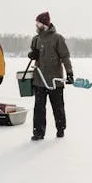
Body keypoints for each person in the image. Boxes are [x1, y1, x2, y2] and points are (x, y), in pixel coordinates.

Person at [27, 11, 74, 141]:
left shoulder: (57, 38)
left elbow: (65, 56)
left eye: (38, 23)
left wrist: (69, 72)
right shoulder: (36, 39)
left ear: (45, 24)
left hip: (55, 80)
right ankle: (38, 132)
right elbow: (33, 52)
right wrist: (32, 54)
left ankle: (60, 129)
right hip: (39, 79)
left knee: (58, 107)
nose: (36, 25)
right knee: (39, 108)